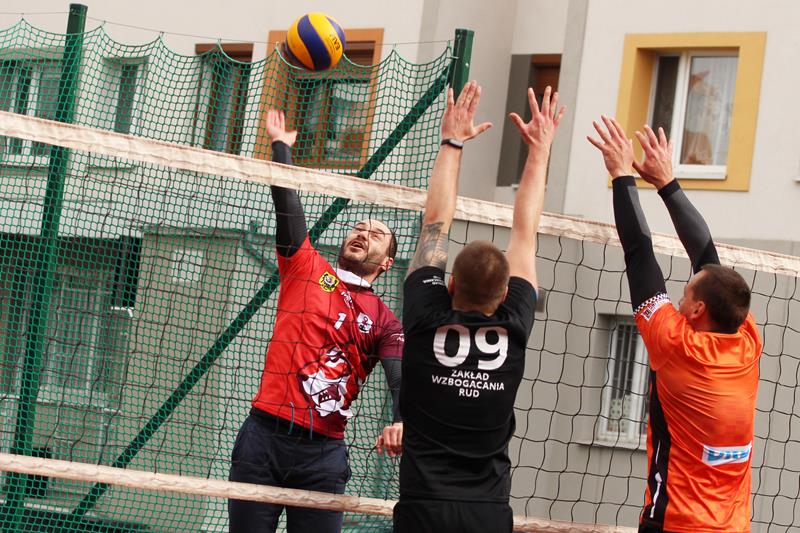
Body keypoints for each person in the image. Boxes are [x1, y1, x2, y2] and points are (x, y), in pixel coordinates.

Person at [394, 81, 565, 533]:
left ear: (450, 284)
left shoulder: (425, 317)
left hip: (424, 507)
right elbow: (526, 233)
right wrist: (540, 150)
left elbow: (435, 223)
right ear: (506, 293)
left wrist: (452, 142)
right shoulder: (515, 326)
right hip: (486, 511)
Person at [228, 109, 405, 533]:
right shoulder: (306, 266)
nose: (362, 234)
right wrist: (281, 148)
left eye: (376, 234)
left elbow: (401, 376)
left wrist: (401, 420)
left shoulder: (385, 321)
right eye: (358, 227)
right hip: (263, 439)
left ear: (386, 262)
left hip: (322, 454)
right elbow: (287, 206)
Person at [588, 117, 762, 533]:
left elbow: (639, 252)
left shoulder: (676, 344)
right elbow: (708, 258)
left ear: (698, 310)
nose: (678, 300)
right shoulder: (745, 339)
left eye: (685, 294)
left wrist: (621, 175)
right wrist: (667, 183)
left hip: (674, 524)